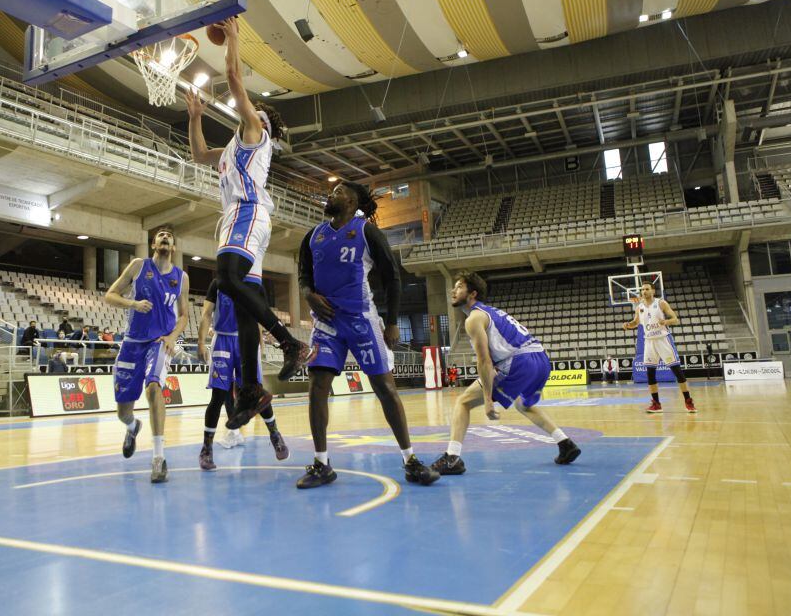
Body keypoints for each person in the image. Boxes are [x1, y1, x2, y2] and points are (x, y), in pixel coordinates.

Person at [186, 17, 310, 424]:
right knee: (241, 305)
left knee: (226, 278)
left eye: (253, 110)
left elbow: (235, 75)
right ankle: (253, 389)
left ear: (263, 122)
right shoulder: (233, 149)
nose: (246, 110)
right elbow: (200, 154)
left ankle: (290, 342)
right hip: (237, 218)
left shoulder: (256, 131)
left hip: (248, 212)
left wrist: (234, 37)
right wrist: (194, 116)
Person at [295, 182, 439, 489]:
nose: (330, 194)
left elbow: (392, 278)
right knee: (317, 385)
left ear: (352, 201)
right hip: (325, 325)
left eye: (336, 191)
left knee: (385, 387)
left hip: (361, 320)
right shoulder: (313, 235)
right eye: (329, 190)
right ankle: (322, 463)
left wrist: (391, 322)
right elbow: (304, 275)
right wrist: (308, 294)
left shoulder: (367, 232)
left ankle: (410, 460)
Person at [431, 272, 581, 476]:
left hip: (520, 361)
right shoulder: (492, 312)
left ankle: (452, 458)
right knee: (524, 404)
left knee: (463, 402)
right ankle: (565, 443)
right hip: (541, 358)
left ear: (472, 294)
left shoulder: (474, 318)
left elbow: (485, 362)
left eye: (459, 287)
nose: (453, 290)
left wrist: (487, 399)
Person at [104, 227, 189, 484]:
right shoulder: (138, 266)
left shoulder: (181, 277)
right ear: (153, 243)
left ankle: (158, 458)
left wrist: (173, 337)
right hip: (132, 343)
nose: (165, 238)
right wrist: (133, 304)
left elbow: (184, 315)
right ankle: (132, 427)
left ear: (173, 247)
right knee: (123, 411)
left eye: (169, 236)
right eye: (160, 235)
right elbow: (110, 295)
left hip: (159, 342)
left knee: (154, 387)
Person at [197, 278, 288, 470]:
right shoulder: (218, 282)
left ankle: (274, 434)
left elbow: (260, 315)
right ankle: (206, 449)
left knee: (256, 392)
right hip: (222, 340)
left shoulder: (254, 284)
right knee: (218, 396)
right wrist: (200, 342)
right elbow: (206, 314)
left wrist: (261, 343)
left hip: (247, 340)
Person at [623, 282, 696, 413]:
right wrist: (629, 324)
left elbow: (675, 319)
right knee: (650, 374)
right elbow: (636, 322)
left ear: (653, 291)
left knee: (677, 372)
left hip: (663, 340)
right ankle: (656, 404)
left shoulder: (661, 303)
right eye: (642, 289)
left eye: (646, 289)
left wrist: (666, 321)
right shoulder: (639, 307)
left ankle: (688, 401)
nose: (644, 291)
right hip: (649, 342)